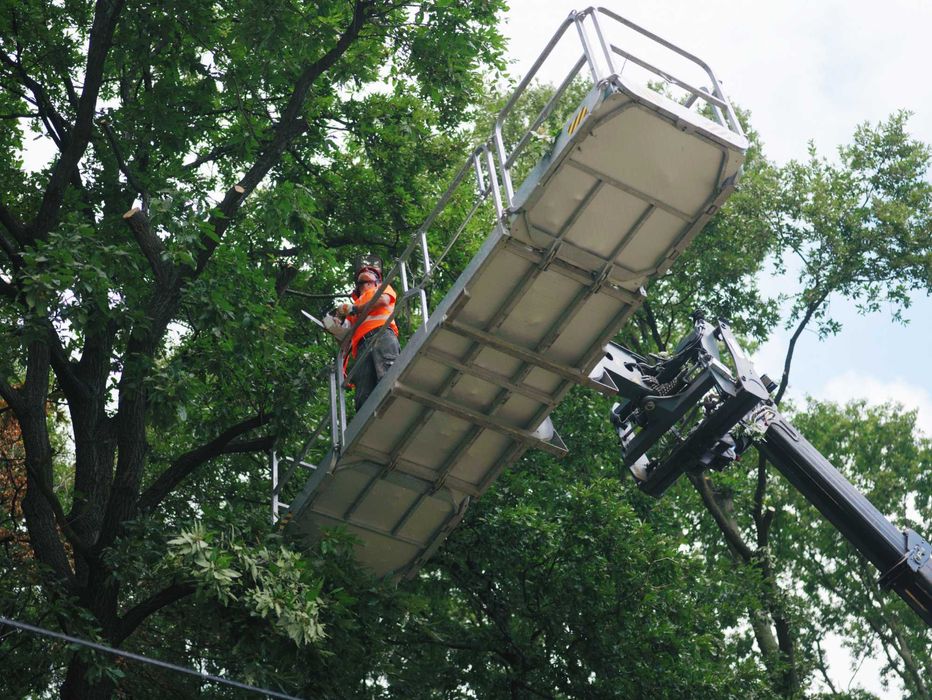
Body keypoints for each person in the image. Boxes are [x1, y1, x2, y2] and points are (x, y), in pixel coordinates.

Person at [332, 257, 400, 411]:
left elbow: (382, 301)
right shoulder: (355, 305)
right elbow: (346, 338)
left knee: (387, 376)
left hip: (381, 335)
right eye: (364, 272)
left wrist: (353, 310)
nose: (366, 272)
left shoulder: (382, 288)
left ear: (376, 281)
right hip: (361, 346)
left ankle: (395, 411)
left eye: (370, 272)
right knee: (363, 395)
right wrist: (336, 326)